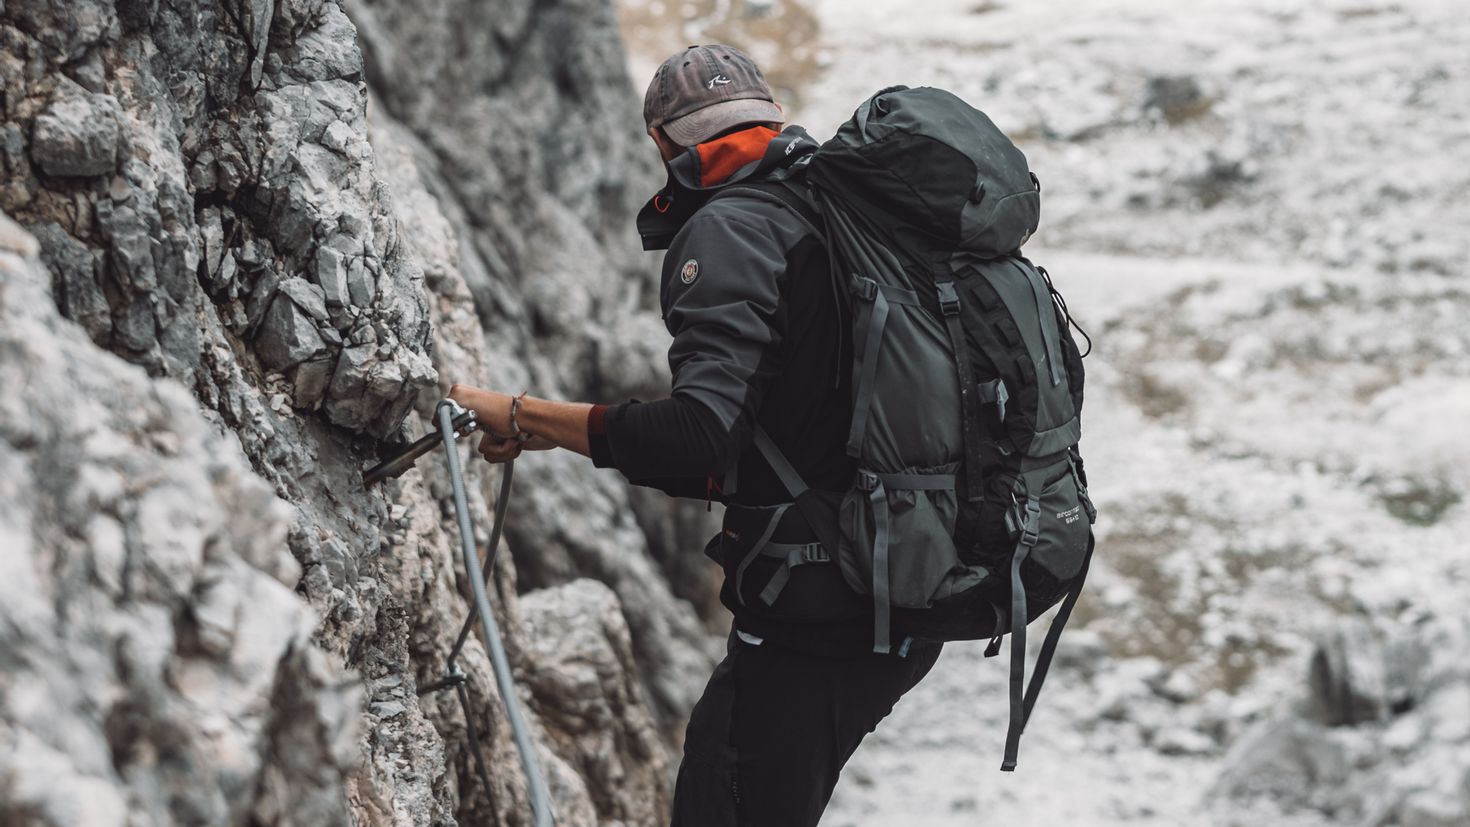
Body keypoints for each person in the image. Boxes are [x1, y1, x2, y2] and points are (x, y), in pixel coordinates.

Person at [448, 44, 940, 827]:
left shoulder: (734, 231)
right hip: (907, 592)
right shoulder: (836, 208)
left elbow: (699, 436)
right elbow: (787, 437)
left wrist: (525, 413)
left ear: (662, 143)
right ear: (769, 119)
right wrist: (566, 433)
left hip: (822, 618)